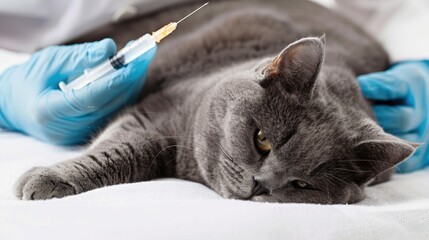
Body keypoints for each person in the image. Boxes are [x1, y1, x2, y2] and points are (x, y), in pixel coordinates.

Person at [0, 0, 428, 172]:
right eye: (261, 142)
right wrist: (6, 95)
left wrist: (421, 59)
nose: (263, 183)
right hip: (40, 52)